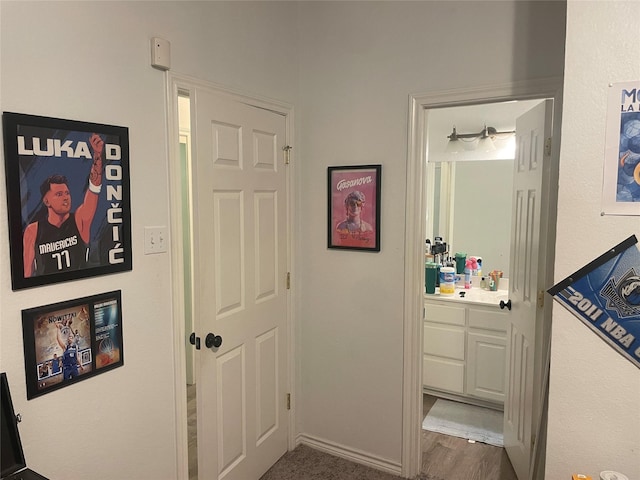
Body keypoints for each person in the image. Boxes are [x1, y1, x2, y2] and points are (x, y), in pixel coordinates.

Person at [22, 133, 104, 277]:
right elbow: (26, 272)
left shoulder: (79, 220)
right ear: (46, 201)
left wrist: (98, 155)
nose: (66, 198)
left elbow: (94, 189)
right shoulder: (33, 230)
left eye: (67, 193)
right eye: (59, 194)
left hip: (81, 288)